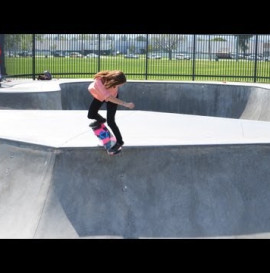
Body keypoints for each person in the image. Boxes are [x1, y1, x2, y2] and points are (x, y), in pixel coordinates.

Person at [87, 70, 135, 154]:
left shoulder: (112, 83)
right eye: (120, 84)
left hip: (113, 99)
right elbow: (108, 97)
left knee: (111, 121)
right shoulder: (99, 81)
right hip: (101, 96)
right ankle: (101, 120)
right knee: (91, 114)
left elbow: (111, 98)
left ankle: (119, 142)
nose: (121, 86)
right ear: (115, 81)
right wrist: (125, 104)